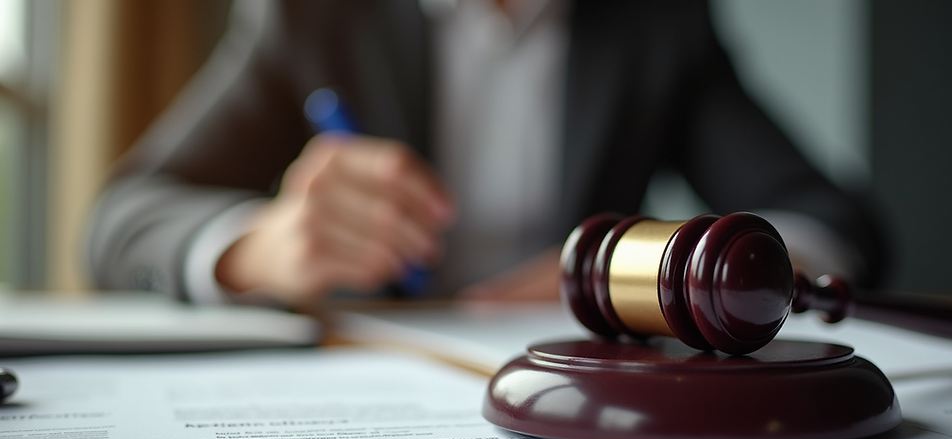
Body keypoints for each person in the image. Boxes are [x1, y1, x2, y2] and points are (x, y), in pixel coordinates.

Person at [87, 0, 886, 308]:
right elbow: (121, 218)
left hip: (581, 392)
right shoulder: (311, 15)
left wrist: (645, 269)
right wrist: (260, 246)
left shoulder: (657, 24)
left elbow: (834, 220)